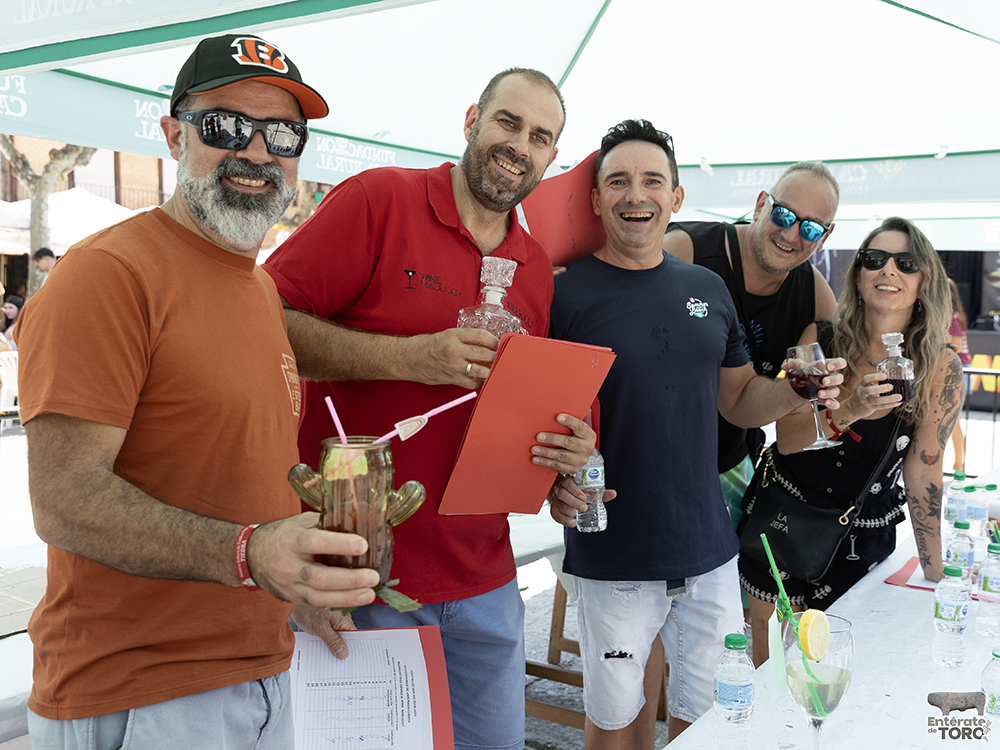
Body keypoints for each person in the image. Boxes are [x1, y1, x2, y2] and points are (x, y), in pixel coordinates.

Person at [16, 33, 381, 749]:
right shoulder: (108, 275)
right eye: (226, 126)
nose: (256, 150)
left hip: (263, 674)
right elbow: (62, 499)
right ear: (173, 134)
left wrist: (295, 588)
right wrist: (249, 553)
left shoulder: (258, 288)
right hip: (141, 694)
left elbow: (233, 478)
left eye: (282, 133)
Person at [262, 68, 596, 750]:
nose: (519, 146)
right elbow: (264, 323)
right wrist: (407, 358)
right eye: (508, 122)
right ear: (472, 118)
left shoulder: (532, 265)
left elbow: (506, 408)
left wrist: (562, 457)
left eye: (540, 136)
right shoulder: (379, 200)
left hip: (487, 577)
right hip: (360, 572)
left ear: (551, 158)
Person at [546, 119, 844, 747]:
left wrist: (794, 386)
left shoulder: (707, 289)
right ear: (597, 198)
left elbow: (737, 401)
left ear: (675, 198)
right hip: (614, 548)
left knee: (710, 723)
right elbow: (534, 419)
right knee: (617, 725)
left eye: (653, 181)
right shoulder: (563, 296)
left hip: (709, 549)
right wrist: (554, 486)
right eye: (618, 182)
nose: (636, 195)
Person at [739, 217, 963, 665]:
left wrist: (937, 573)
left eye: (907, 262)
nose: (889, 271)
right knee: (775, 672)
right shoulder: (818, 339)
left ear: (925, 282)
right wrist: (854, 408)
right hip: (784, 519)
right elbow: (787, 439)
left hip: (863, 536)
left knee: (841, 666)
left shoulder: (940, 364)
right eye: (875, 259)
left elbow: (924, 469)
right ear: (858, 277)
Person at [662, 163, 838, 531]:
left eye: (810, 227)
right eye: (783, 214)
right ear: (761, 205)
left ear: (824, 236)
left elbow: (826, 376)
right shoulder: (687, 250)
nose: (791, 234)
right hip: (651, 457)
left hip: (729, 461)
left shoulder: (815, 294)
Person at [947, 277, 971, 471]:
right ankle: (958, 463)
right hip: (957, 371)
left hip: (957, 372)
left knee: (952, 420)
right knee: (951, 420)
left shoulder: (952, 318)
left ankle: (959, 464)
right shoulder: (954, 317)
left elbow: (955, 346)